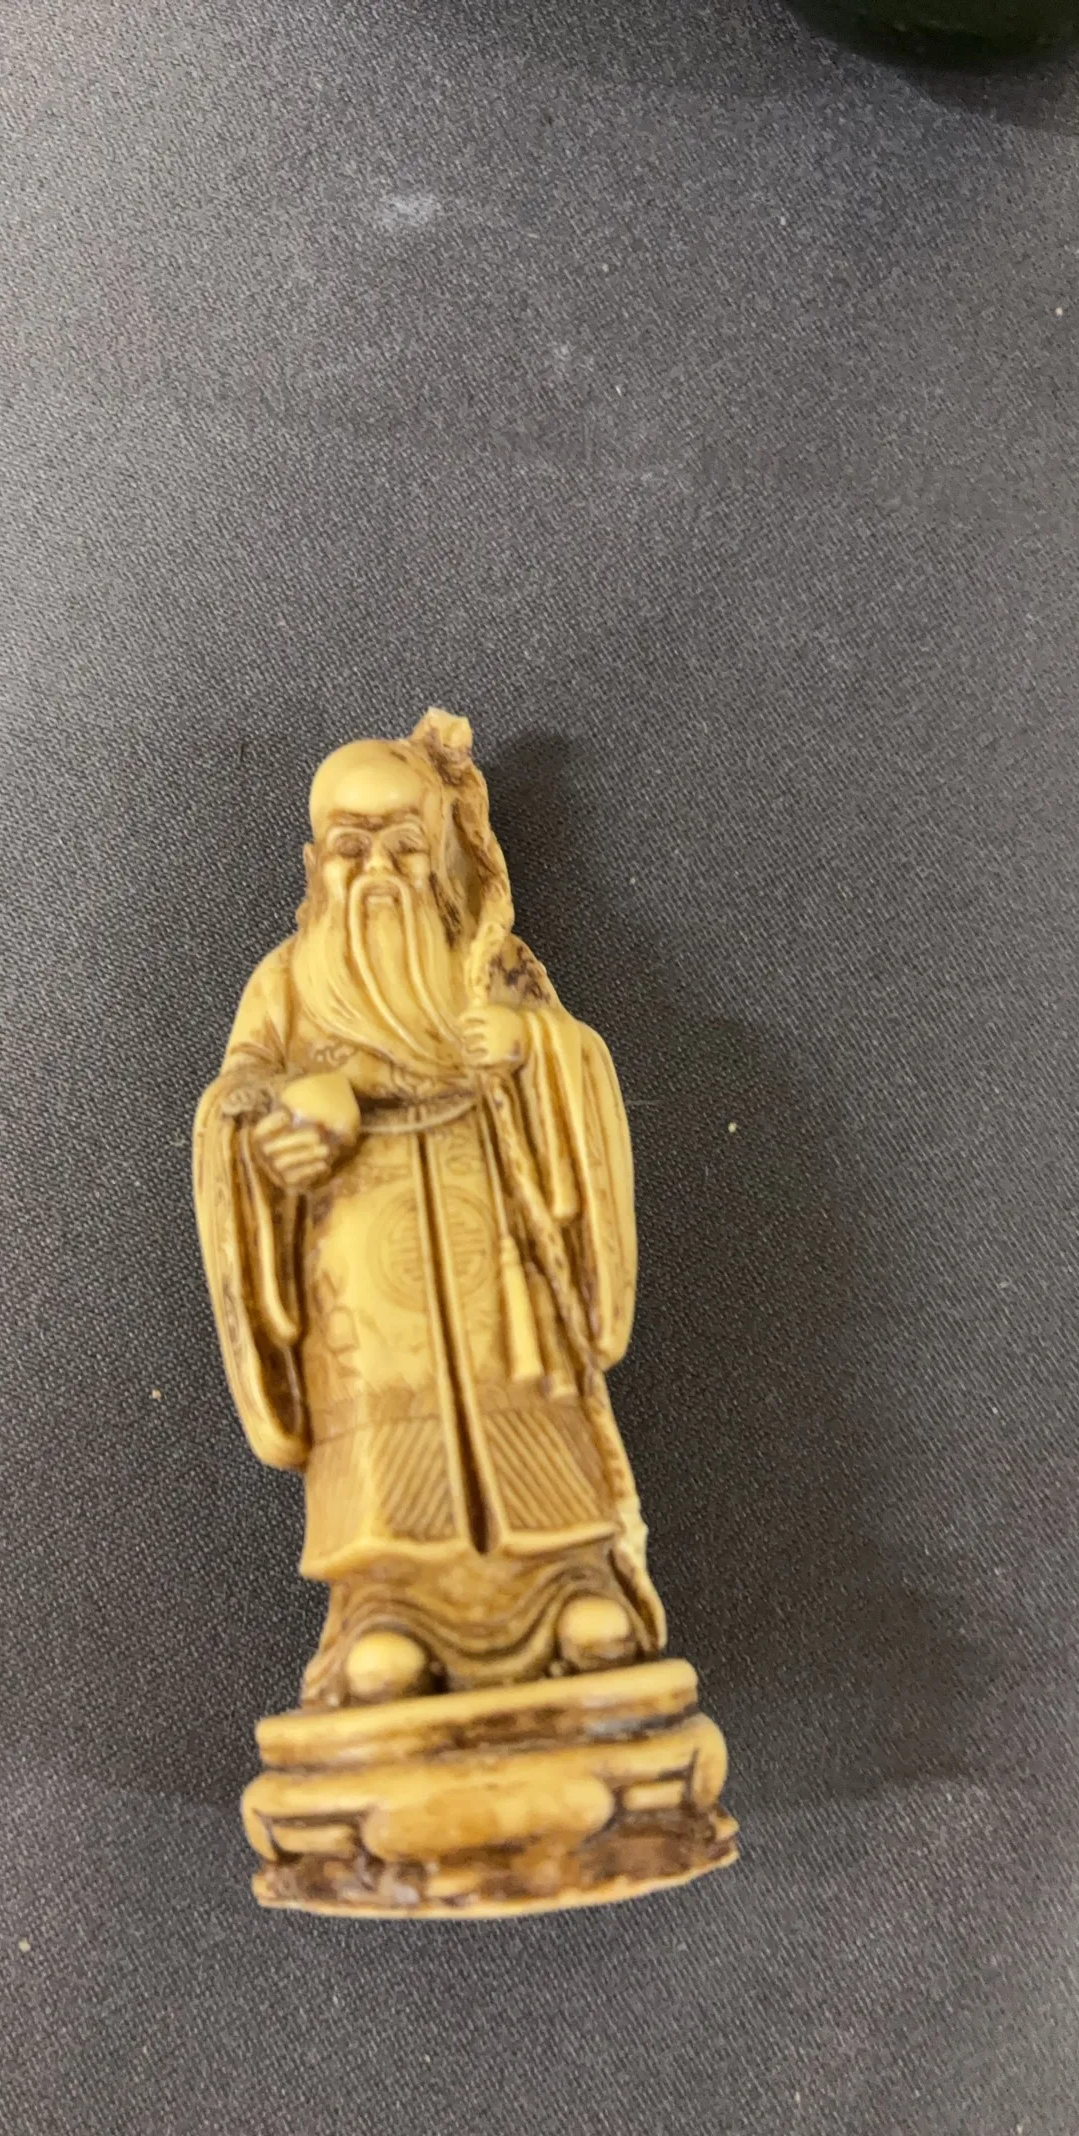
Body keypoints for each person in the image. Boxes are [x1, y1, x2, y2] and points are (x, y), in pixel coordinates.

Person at [194, 710, 665, 1707]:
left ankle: (567, 1585)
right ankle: (387, 1609)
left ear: (441, 853)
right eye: (350, 846)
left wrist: (530, 1047)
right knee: (382, 1413)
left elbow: (574, 1061)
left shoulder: (487, 962)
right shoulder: (286, 982)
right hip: (358, 1262)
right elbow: (232, 1099)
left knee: (520, 1391)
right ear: (314, 863)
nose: (376, 869)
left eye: (403, 846)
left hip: (492, 1228)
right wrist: (287, 1116)